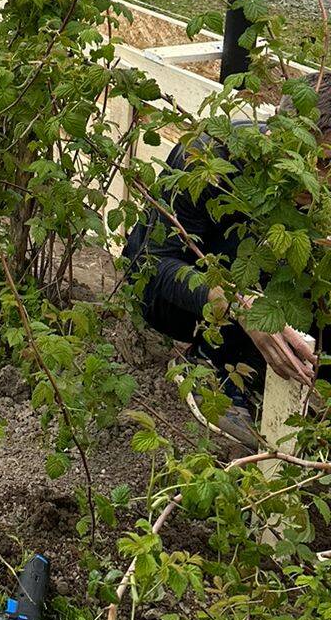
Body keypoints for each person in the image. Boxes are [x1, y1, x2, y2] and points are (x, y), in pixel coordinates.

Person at [124, 93, 325, 444]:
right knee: (248, 241)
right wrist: (238, 305)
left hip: (262, 292)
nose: (320, 177)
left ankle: (268, 367)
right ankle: (212, 365)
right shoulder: (208, 156)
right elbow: (152, 264)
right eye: (319, 160)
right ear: (277, 132)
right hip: (171, 300)